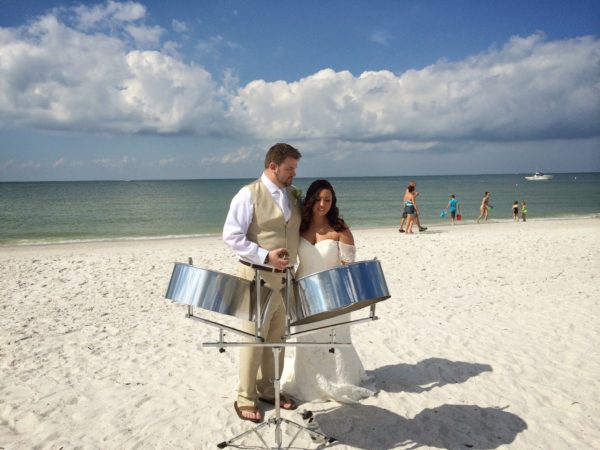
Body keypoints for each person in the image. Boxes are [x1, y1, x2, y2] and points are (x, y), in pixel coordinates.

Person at [222, 143, 302, 423]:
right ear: (273, 166)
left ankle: (268, 389)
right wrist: (265, 255)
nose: (294, 173)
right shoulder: (248, 194)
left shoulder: (291, 196)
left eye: (295, 168)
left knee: (276, 338)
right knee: (253, 339)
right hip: (256, 276)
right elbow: (232, 236)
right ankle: (245, 398)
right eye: (290, 168)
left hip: (285, 279)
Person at [281, 179, 375, 403]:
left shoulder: (340, 229)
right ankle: (308, 381)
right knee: (307, 338)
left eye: (328, 200)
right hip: (304, 292)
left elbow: (349, 266)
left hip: (333, 293)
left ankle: (340, 378)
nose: (322, 204)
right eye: (318, 199)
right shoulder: (299, 227)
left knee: (333, 338)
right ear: (311, 201)